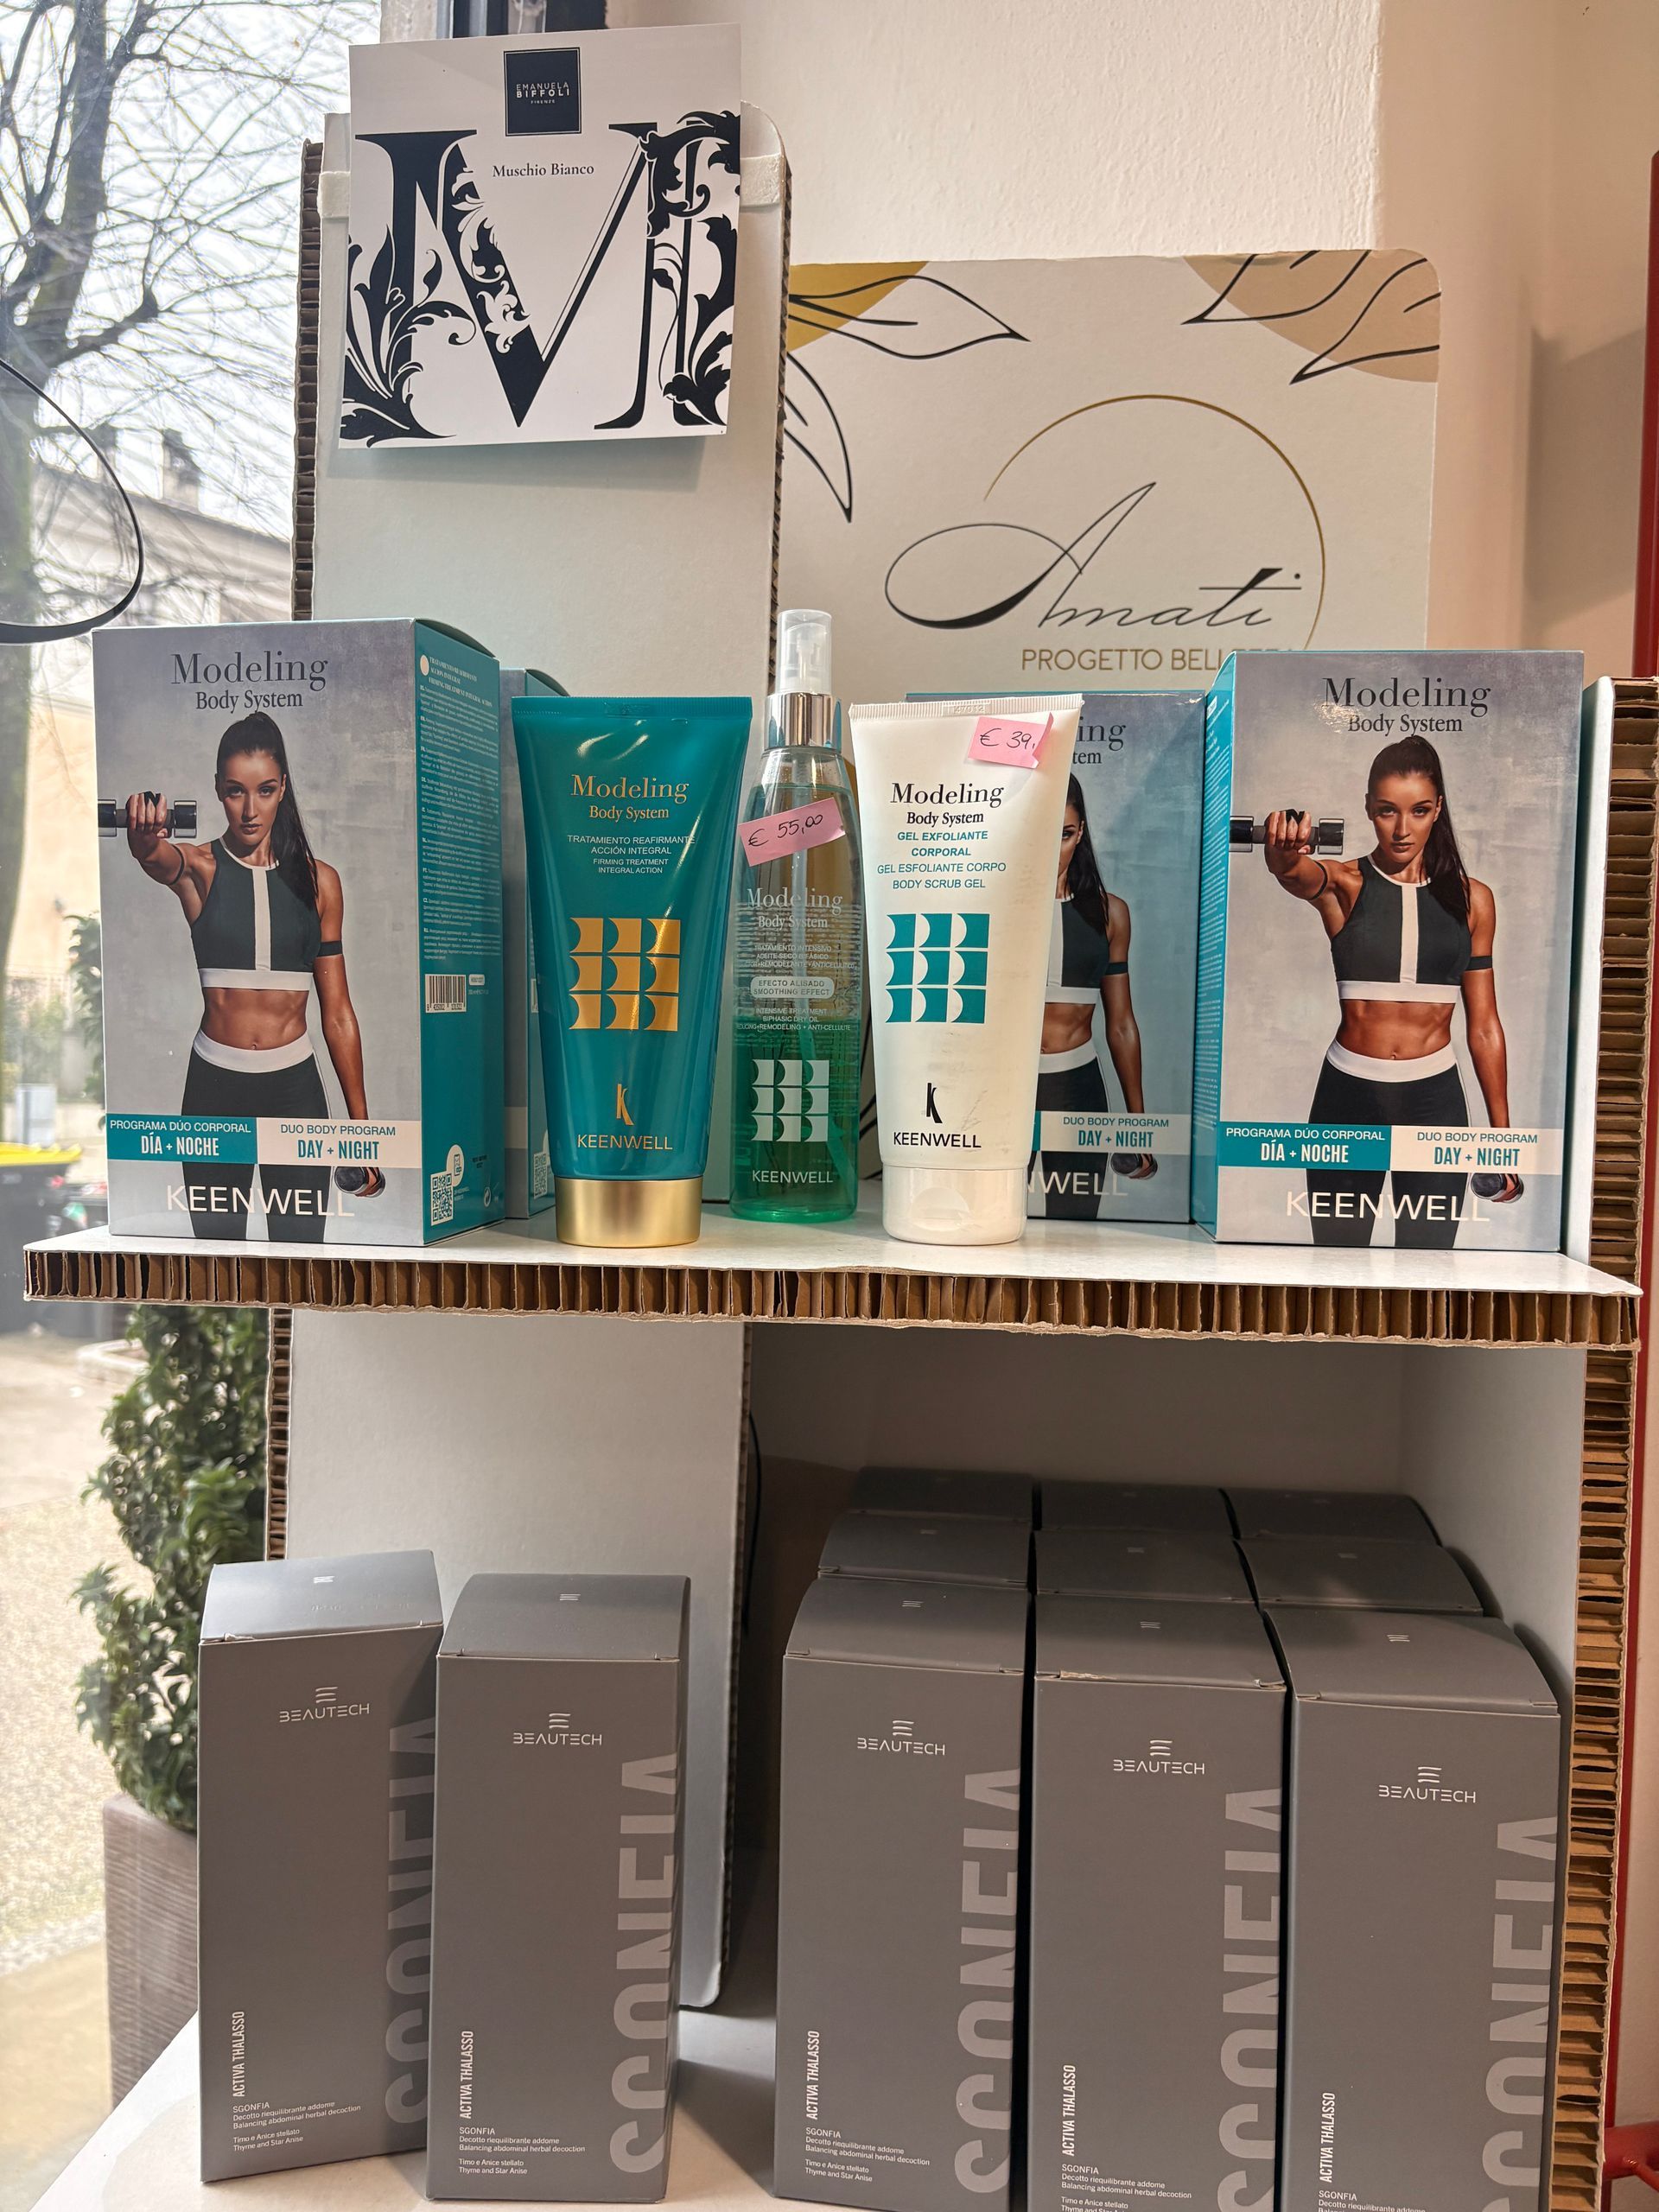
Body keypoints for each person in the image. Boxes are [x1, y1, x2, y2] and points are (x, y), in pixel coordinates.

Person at [124, 710, 381, 1242]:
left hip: (295, 1089)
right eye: (235, 791)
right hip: (214, 1087)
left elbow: (337, 1013)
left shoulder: (321, 883)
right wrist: (143, 836)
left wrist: (361, 1132)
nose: (249, 809)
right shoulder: (199, 868)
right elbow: (156, 857)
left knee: (301, 1259)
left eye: (264, 790)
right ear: (218, 789)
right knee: (217, 1260)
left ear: (283, 787)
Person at [1263, 734, 1518, 1249]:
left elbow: (1485, 1025)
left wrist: (1502, 1139)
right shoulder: (1345, 883)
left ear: (1438, 808)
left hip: (1435, 1099)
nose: (1403, 829)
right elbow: (1294, 872)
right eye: (1387, 811)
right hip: (1348, 1096)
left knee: (1429, 1267)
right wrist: (1280, 853)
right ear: (1368, 809)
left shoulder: (1473, 900)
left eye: (1419, 810)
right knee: (1336, 1265)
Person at [1032, 774, 1154, 1220]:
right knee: (985, 1224)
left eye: (1065, 834)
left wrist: (1137, 1125)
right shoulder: (992, 907)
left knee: (1075, 1229)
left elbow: (1120, 1024)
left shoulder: (1110, 913)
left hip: (1076, 1085)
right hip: (1006, 1086)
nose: (1053, 850)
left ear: (1080, 832)